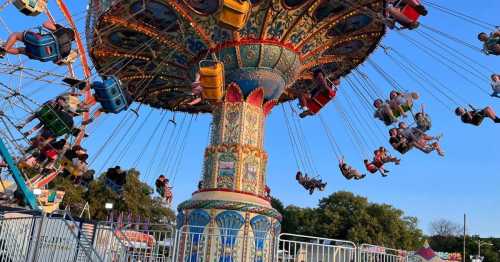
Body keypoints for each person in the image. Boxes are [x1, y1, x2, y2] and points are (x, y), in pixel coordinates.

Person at [0, 19, 76, 63]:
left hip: (40, 42)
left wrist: (57, 25)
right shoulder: (68, 51)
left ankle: (3, 50)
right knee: (20, 50)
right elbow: (56, 61)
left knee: (16, 35)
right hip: (41, 56)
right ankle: (2, 50)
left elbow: (45, 24)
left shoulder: (63, 31)